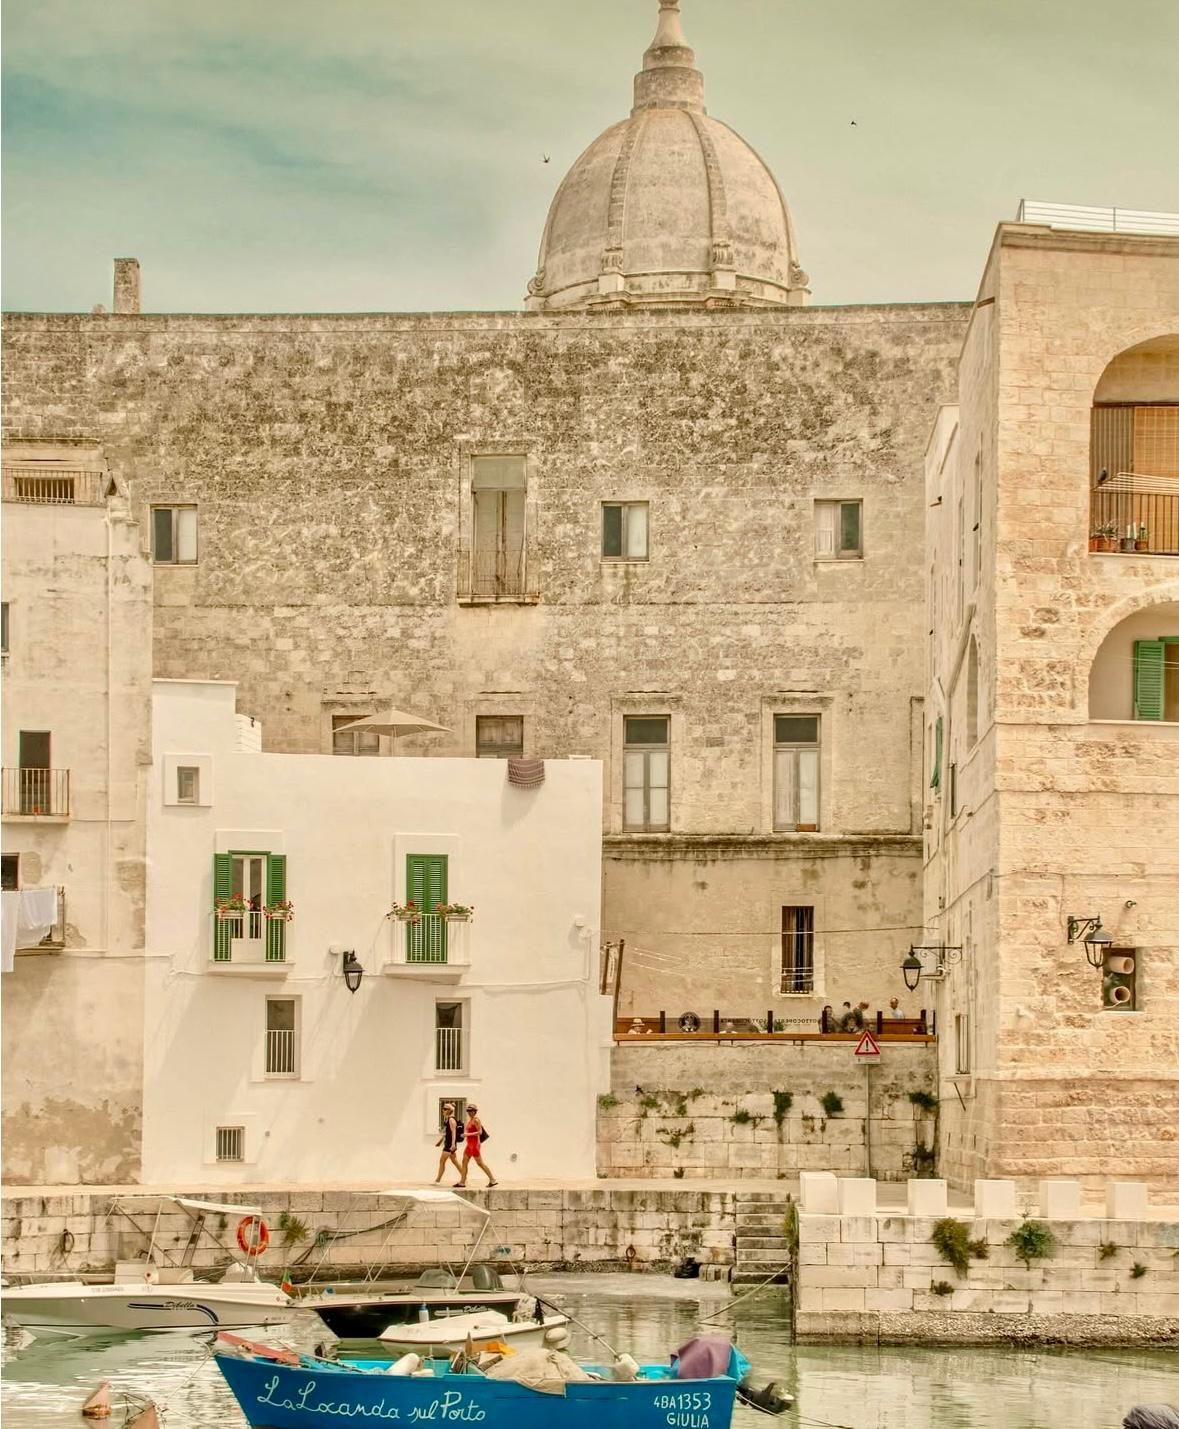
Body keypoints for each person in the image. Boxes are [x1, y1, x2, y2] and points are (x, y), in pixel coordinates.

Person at [456, 1103, 497, 1188]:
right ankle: (462, 1182)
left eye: (471, 1110)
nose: (469, 1112)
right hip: (469, 1145)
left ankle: (492, 1180)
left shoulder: (476, 1120)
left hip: (474, 1145)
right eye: (468, 1110)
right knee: (464, 1162)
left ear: (475, 1112)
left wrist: (466, 1134)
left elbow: (480, 1132)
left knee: (480, 1163)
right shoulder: (471, 1120)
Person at [433, 1102, 462, 1185]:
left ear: (449, 1110)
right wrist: (440, 1141)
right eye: (443, 1108)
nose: (443, 1110)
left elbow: (453, 1133)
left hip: (449, 1144)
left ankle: (437, 1180)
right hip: (448, 1143)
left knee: (442, 1161)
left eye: (445, 1109)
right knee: (455, 1161)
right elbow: (447, 1132)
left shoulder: (451, 1120)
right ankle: (464, 1177)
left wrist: (453, 1145)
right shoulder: (448, 1119)